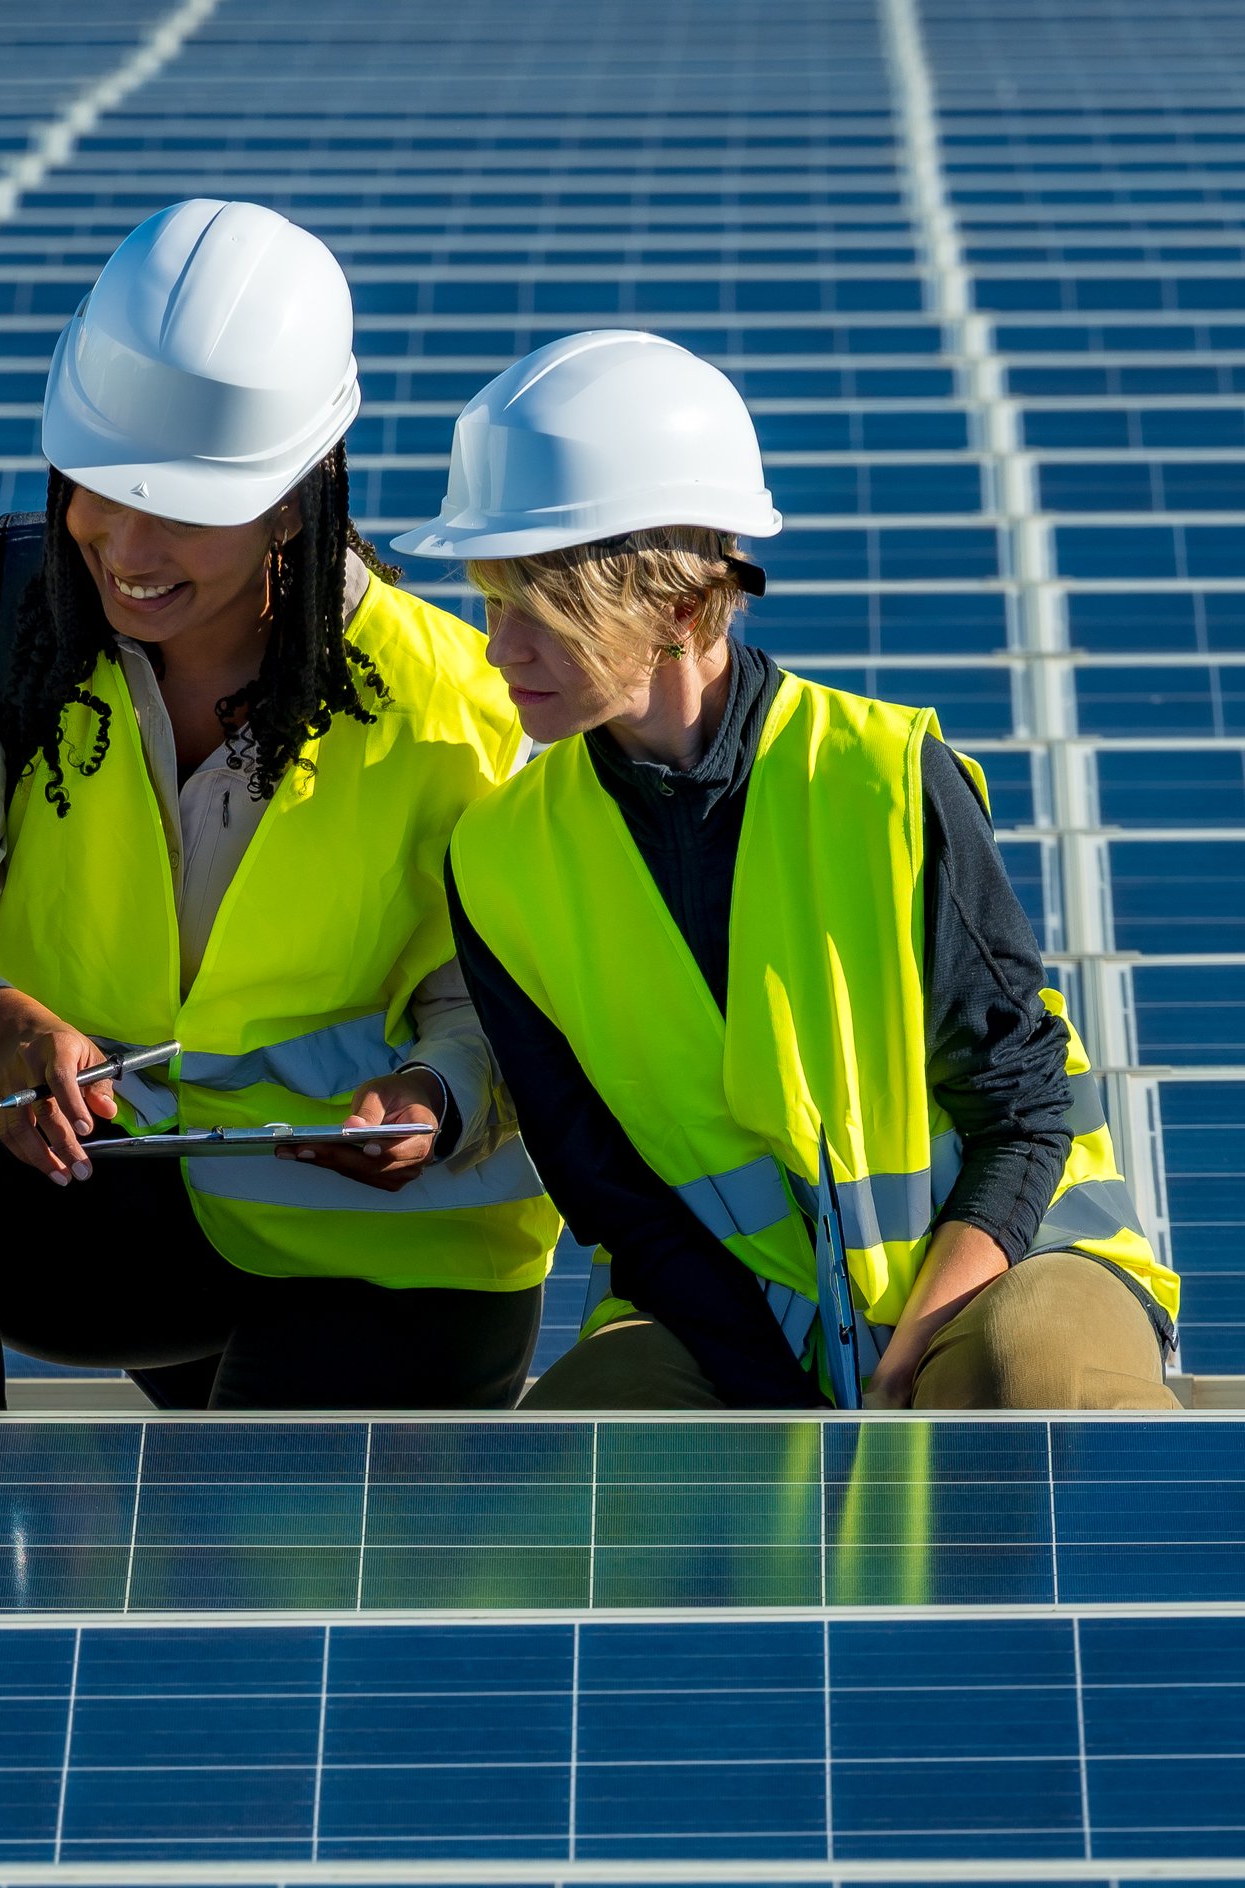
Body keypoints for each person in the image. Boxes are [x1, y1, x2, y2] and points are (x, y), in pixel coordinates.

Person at [0, 197, 558, 1411]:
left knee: (244, 1566)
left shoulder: (460, 706)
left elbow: (484, 1005)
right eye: (96, 485)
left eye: (181, 505)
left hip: (386, 1253)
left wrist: (436, 1096)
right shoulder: (0, 617)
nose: (120, 540)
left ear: (294, 497)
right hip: (100, 1198)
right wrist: (0, 1025)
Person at [402, 330, 1179, 1412]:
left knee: (1027, 1387)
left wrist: (902, 1367)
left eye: (538, 609)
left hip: (1005, 1256)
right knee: (591, 1455)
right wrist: (788, 1403)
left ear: (678, 605)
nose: (495, 650)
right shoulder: (497, 858)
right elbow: (615, 1200)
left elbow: (1026, 1111)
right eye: (490, 602)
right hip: (726, 1307)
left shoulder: (884, 775)